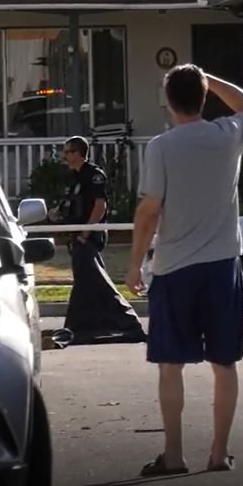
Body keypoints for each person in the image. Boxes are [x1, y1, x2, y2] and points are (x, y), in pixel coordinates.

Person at [125, 64, 243, 477]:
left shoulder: (162, 147)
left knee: (171, 364)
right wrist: (210, 79)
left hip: (175, 267)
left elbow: (150, 210)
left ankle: (174, 454)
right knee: (225, 363)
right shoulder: (226, 136)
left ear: (168, 100)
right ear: (203, 96)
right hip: (222, 265)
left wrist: (134, 264)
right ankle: (219, 453)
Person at [57, 136, 146, 345]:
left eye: (69, 152)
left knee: (98, 281)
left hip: (88, 236)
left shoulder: (94, 175)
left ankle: (129, 323)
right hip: (75, 236)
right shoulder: (74, 177)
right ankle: (77, 327)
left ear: (79, 153)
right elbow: (73, 204)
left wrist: (85, 234)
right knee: (84, 282)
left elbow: (100, 207)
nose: (65, 156)